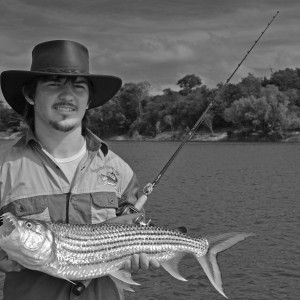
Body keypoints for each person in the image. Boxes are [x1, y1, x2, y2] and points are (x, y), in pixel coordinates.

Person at [0, 40, 160, 300]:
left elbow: (136, 225)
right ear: (31, 94)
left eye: (78, 86)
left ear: (88, 99)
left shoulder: (120, 170)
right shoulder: (2, 168)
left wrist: (141, 253)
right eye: (54, 83)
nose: (67, 95)